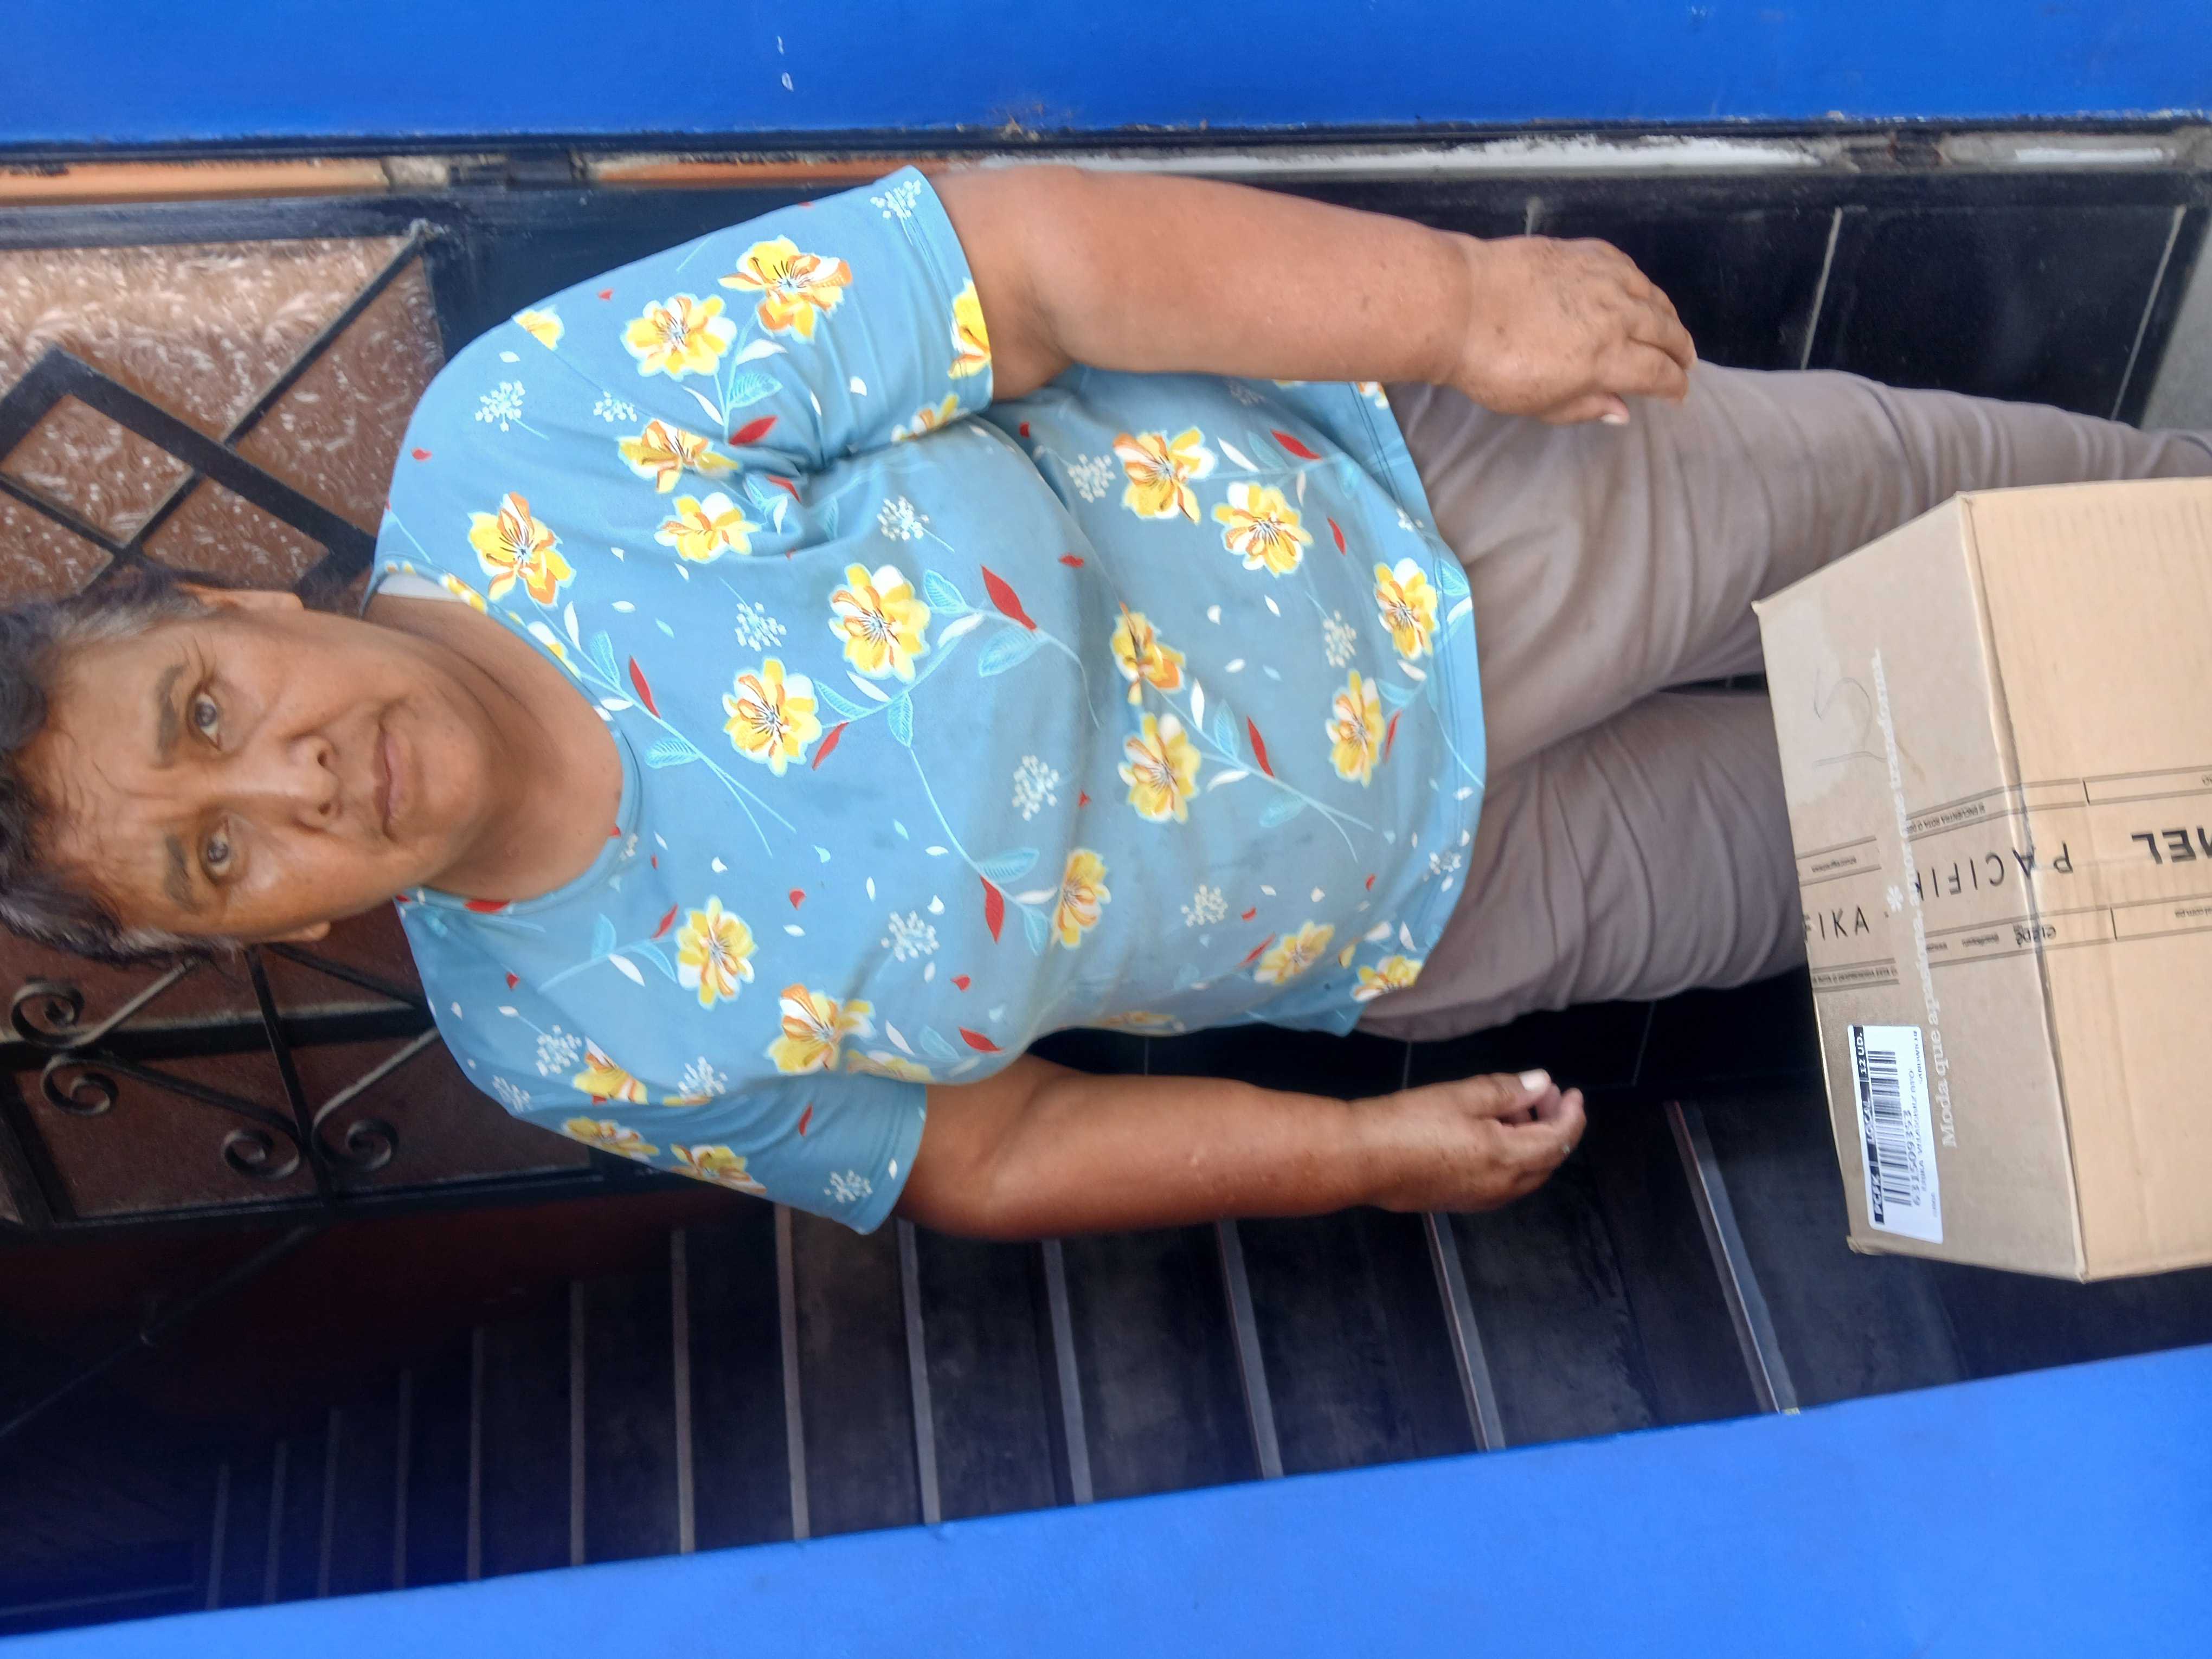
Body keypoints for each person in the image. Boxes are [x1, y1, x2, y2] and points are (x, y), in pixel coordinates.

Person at [3, 166, 2205, 1241]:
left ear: (226, 599)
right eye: (220, 854)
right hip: (1447, 908)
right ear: (271, 929)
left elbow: (1024, 269)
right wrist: (1353, 1154)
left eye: (203, 710)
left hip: (1450, 529)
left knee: (2027, 526)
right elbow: (990, 1149)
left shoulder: (533, 445)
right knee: (1985, 827)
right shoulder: (555, 1037)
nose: (291, 777)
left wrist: (1458, 300)